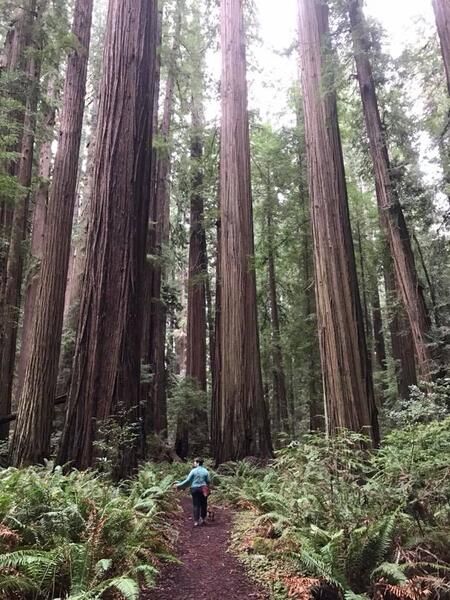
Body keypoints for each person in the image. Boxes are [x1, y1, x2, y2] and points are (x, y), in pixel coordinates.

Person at [175, 458, 210, 526]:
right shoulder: (206, 471)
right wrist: (208, 488)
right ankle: (203, 519)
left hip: (195, 489)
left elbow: (188, 481)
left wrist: (179, 485)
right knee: (204, 504)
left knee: (196, 505)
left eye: (194, 462)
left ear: (197, 463)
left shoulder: (193, 471)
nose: (194, 463)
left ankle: (196, 521)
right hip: (204, 489)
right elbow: (208, 481)